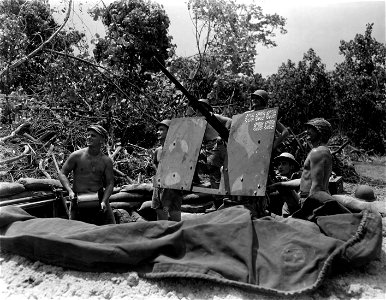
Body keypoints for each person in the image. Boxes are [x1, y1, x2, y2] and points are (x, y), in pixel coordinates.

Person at [268, 117, 333, 217]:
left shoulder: (318, 152)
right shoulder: (322, 151)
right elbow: (305, 180)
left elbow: (317, 187)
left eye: (311, 129)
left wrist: (307, 212)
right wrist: (279, 185)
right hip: (310, 199)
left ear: (319, 132)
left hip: (311, 201)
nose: (307, 131)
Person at [58, 124, 116, 224]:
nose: (89, 137)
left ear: (101, 140)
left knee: (111, 229)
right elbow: (62, 173)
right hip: (78, 199)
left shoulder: (106, 161)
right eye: (88, 135)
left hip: (99, 199)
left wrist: (104, 201)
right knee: (76, 232)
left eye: (93, 135)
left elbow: (110, 183)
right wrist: (70, 191)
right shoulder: (76, 156)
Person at [193, 99, 232, 208]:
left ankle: (221, 200)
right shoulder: (198, 120)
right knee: (213, 174)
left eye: (201, 107)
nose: (198, 110)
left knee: (216, 173)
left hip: (216, 145)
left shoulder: (212, 116)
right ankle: (218, 199)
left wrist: (222, 135)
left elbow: (229, 121)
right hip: (206, 148)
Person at [151, 119, 183, 221]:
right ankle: (162, 234)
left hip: (172, 187)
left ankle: (177, 234)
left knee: (173, 213)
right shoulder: (158, 150)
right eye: (158, 130)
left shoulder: (177, 149)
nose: (158, 132)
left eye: (161, 129)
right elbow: (155, 163)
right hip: (159, 185)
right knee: (160, 211)